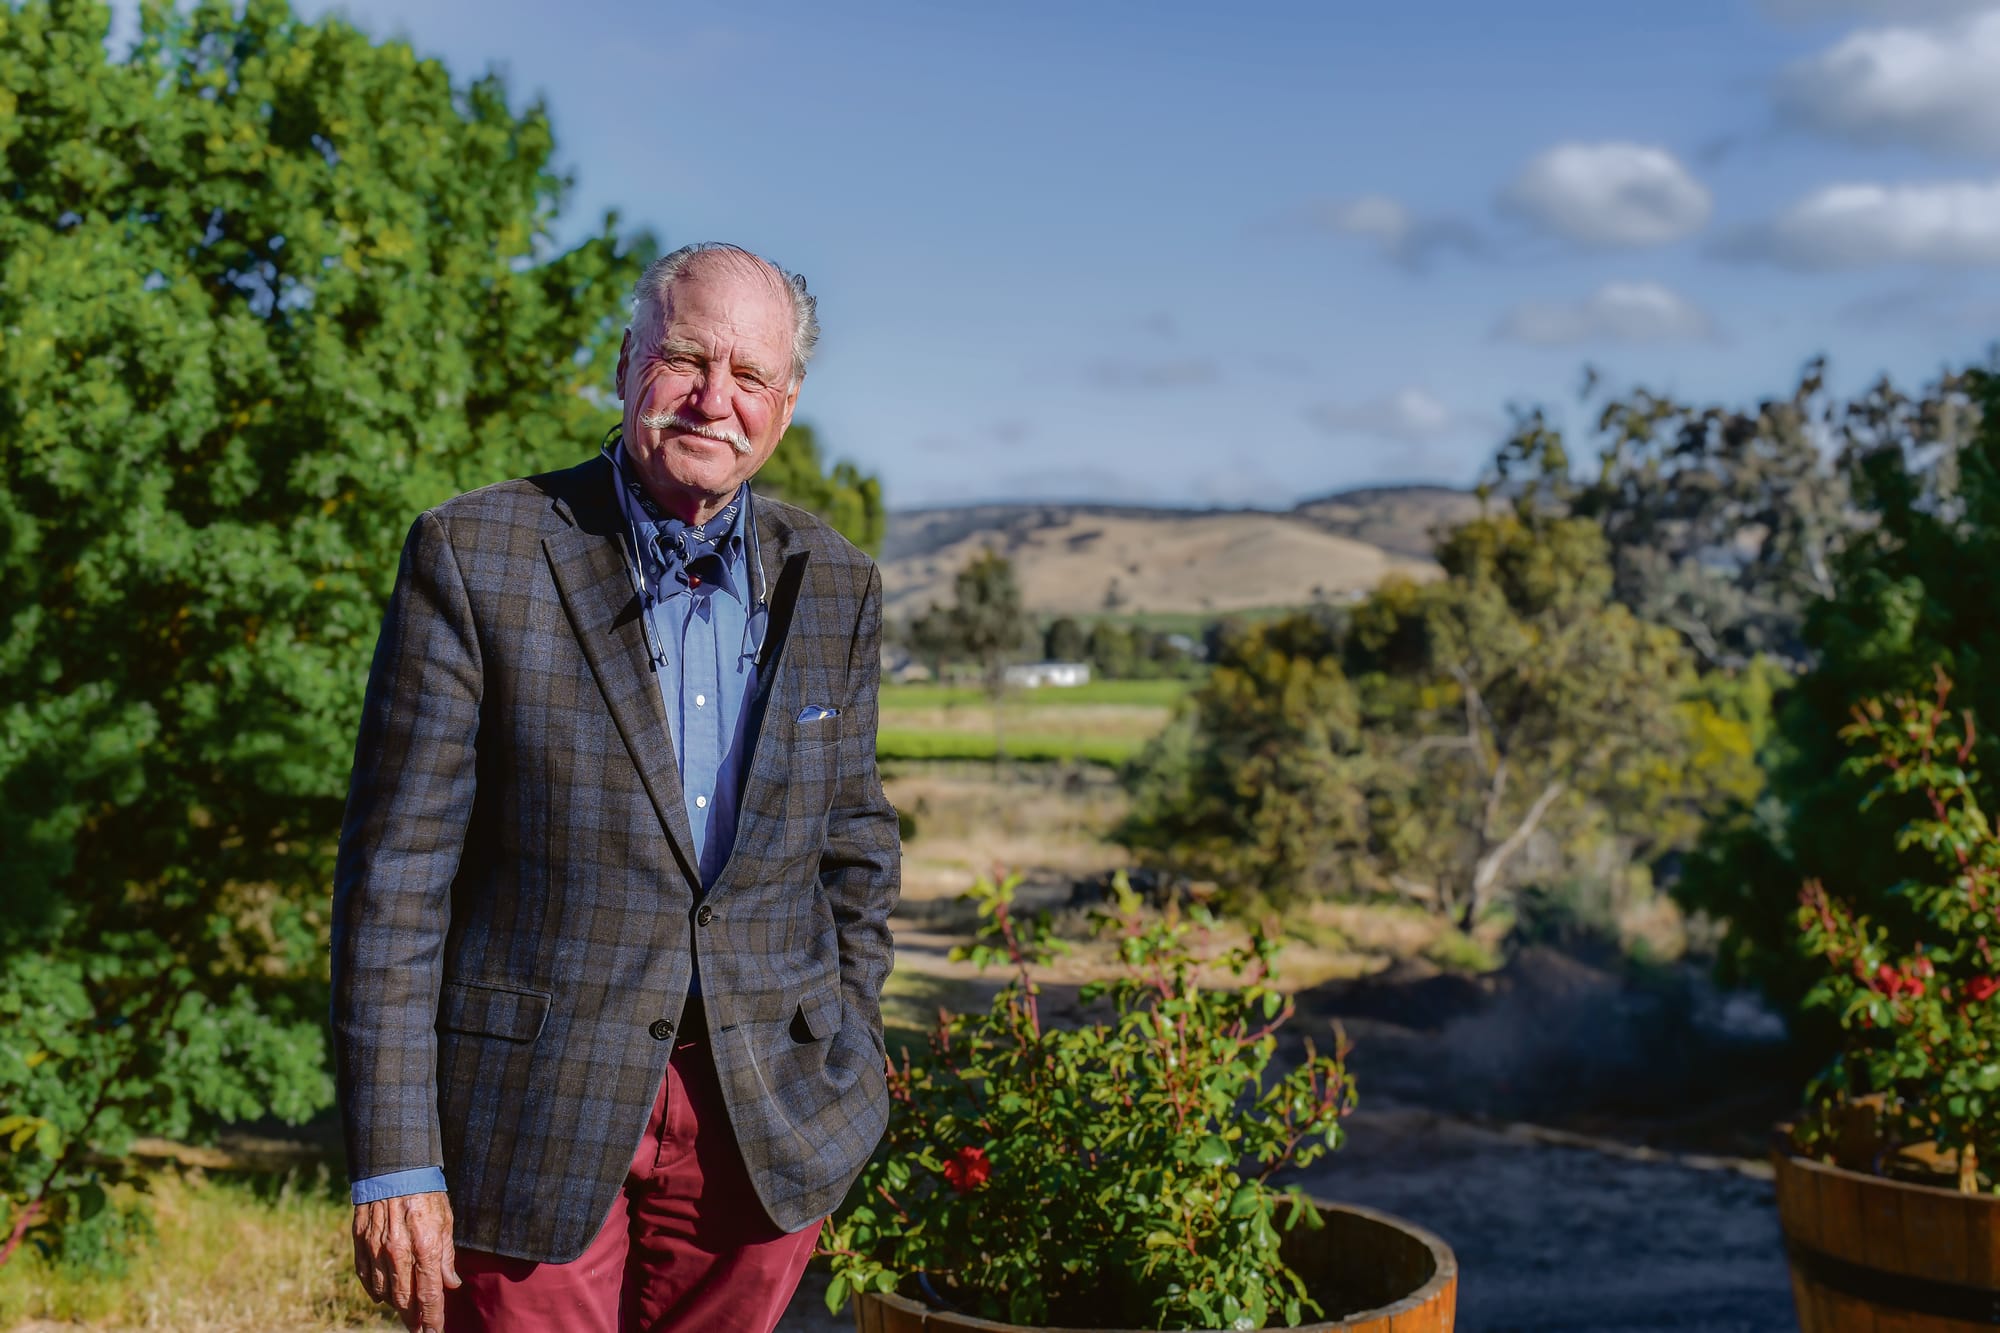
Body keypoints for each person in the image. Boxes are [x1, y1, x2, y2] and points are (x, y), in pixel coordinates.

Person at [330, 242, 899, 1333]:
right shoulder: (476, 553)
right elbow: (396, 880)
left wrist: (851, 1056)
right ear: (627, 362)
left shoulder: (835, 582)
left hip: (762, 1116)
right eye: (685, 358)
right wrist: (394, 1159)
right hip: (525, 1115)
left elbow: (855, 848)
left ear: (785, 405)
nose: (713, 399)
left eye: (749, 375)